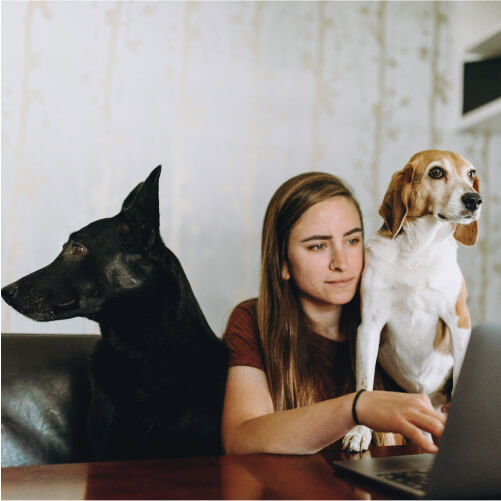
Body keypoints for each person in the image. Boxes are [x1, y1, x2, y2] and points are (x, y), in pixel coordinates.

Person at [221, 171, 446, 456]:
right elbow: (240, 439)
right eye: (318, 246)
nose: (341, 263)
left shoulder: (396, 316)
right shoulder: (253, 320)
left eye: (352, 241)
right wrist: (356, 407)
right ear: (282, 262)